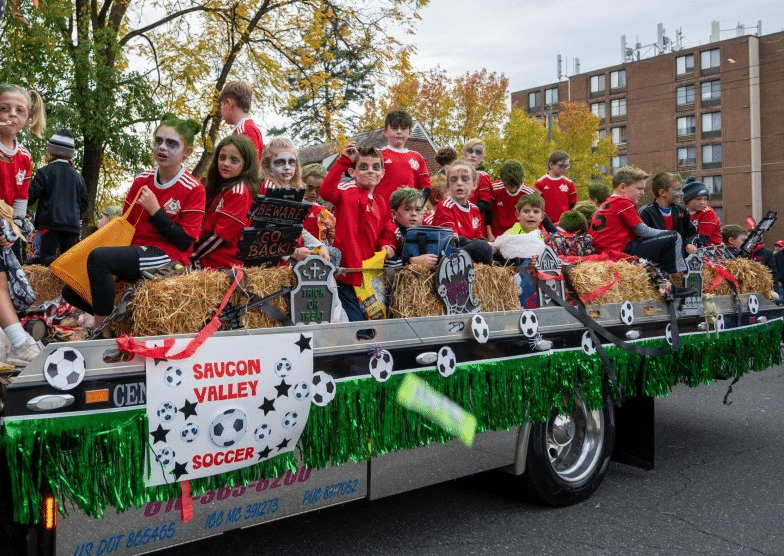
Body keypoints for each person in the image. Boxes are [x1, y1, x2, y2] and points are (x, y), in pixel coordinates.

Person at [61, 114, 207, 338]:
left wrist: (155, 210)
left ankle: (102, 335)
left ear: (187, 152)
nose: (162, 147)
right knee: (72, 290)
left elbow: (184, 242)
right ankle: (119, 322)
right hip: (138, 250)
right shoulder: (142, 180)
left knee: (100, 259)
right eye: (158, 140)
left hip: (169, 256)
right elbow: (127, 226)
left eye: (171, 143)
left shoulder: (193, 188)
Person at [320, 142, 395, 321]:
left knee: (375, 321)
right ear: (352, 172)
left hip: (369, 276)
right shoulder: (347, 191)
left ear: (382, 174)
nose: (370, 171)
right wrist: (344, 160)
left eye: (376, 167)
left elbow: (388, 227)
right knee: (357, 325)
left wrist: (387, 245)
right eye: (363, 167)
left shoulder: (380, 202)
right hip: (347, 274)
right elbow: (326, 191)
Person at [0, 84, 46, 364]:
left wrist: (14, 229)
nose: (11, 115)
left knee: (5, 283)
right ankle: (19, 343)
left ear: (28, 118)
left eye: (19, 111)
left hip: (7, 230)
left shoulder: (25, 156)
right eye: (3, 109)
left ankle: (10, 343)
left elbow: (21, 197)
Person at [590, 165, 691, 278]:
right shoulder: (623, 202)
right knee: (674, 236)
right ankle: (677, 278)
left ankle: (662, 278)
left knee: (663, 239)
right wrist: (666, 233)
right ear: (622, 187)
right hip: (620, 251)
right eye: (639, 188)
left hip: (606, 251)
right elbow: (642, 230)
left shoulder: (606, 204)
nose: (642, 193)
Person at [191, 135, 259, 269]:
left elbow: (218, 237)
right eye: (222, 157)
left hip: (220, 264)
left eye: (234, 160)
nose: (226, 164)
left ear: (246, 164)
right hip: (208, 256)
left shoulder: (239, 193)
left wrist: (192, 255)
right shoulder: (222, 187)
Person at [258, 137, 328, 263]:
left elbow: (296, 226)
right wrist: (292, 252)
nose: (287, 167)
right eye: (280, 162)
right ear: (268, 166)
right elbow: (265, 230)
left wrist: (319, 245)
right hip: (272, 262)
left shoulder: (289, 189)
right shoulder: (269, 188)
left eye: (291, 162)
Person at [28, 129, 89, 265]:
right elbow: (84, 203)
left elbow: (30, 197)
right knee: (68, 263)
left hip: (50, 224)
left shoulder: (45, 172)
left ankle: (54, 262)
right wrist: (73, 215)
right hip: (72, 227)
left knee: (46, 258)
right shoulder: (78, 177)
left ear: (52, 151)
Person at [432, 161, 493, 265]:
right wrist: (484, 244)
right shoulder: (445, 206)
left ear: (474, 185)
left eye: (464, 179)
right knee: (483, 247)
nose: (459, 183)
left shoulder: (474, 209)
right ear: (448, 186)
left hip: (468, 249)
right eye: (454, 180)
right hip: (449, 254)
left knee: (503, 249)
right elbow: (452, 240)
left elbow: (478, 236)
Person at [375, 109, 431, 203]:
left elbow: (425, 187)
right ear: (385, 132)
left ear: (409, 132)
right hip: (380, 214)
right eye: (394, 128)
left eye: (403, 129)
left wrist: (417, 205)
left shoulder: (417, 157)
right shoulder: (377, 155)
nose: (399, 132)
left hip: (407, 215)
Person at [638, 172, 699, 256]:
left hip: (680, 257)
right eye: (678, 190)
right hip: (656, 261)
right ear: (662, 193)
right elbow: (642, 239)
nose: (682, 193)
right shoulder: (646, 212)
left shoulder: (682, 210)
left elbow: (691, 233)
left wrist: (690, 243)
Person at [383, 187, 438, 270]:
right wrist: (412, 262)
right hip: (396, 281)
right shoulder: (391, 230)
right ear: (394, 213)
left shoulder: (424, 228)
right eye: (407, 209)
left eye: (418, 210)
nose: (413, 214)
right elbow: (386, 264)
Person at [486, 159, 534, 241]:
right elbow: (487, 213)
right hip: (496, 235)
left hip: (518, 235)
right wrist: (489, 234)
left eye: (514, 186)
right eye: (508, 185)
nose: (511, 189)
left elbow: (538, 216)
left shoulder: (528, 193)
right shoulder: (494, 188)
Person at [219, 80, 264, 161]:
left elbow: (252, 166)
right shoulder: (248, 128)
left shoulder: (244, 131)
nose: (221, 110)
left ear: (228, 103)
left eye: (221, 106)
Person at [535, 150, 577, 223]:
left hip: (563, 223)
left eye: (566, 166)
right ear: (551, 165)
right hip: (545, 222)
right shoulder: (540, 183)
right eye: (561, 166)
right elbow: (535, 205)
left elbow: (573, 205)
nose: (564, 168)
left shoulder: (569, 184)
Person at [683, 177, 722, 246]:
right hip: (690, 248)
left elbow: (702, 239)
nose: (702, 202)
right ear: (688, 200)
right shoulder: (682, 212)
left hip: (711, 250)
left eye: (705, 199)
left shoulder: (708, 212)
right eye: (698, 199)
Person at [461, 138, 492, 222]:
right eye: (470, 151)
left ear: (483, 157)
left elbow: (485, 203)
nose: (473, 155)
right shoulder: (456, 173)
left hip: (474, 221)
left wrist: (464, 211)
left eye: (478, 152)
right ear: (462, 153)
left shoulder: (482, 175)